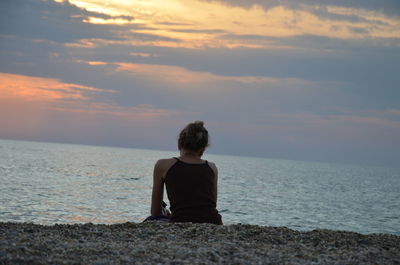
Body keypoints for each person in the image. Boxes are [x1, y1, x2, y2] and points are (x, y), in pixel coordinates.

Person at [146, 121, 222, 225]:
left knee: (151, 219)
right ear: (202, 149)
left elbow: (155, 212)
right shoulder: (212, 168)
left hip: (180, 221)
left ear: (179, 144)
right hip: (213, 223)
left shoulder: (162, 165)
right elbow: (209, 206)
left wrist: (166, 213)